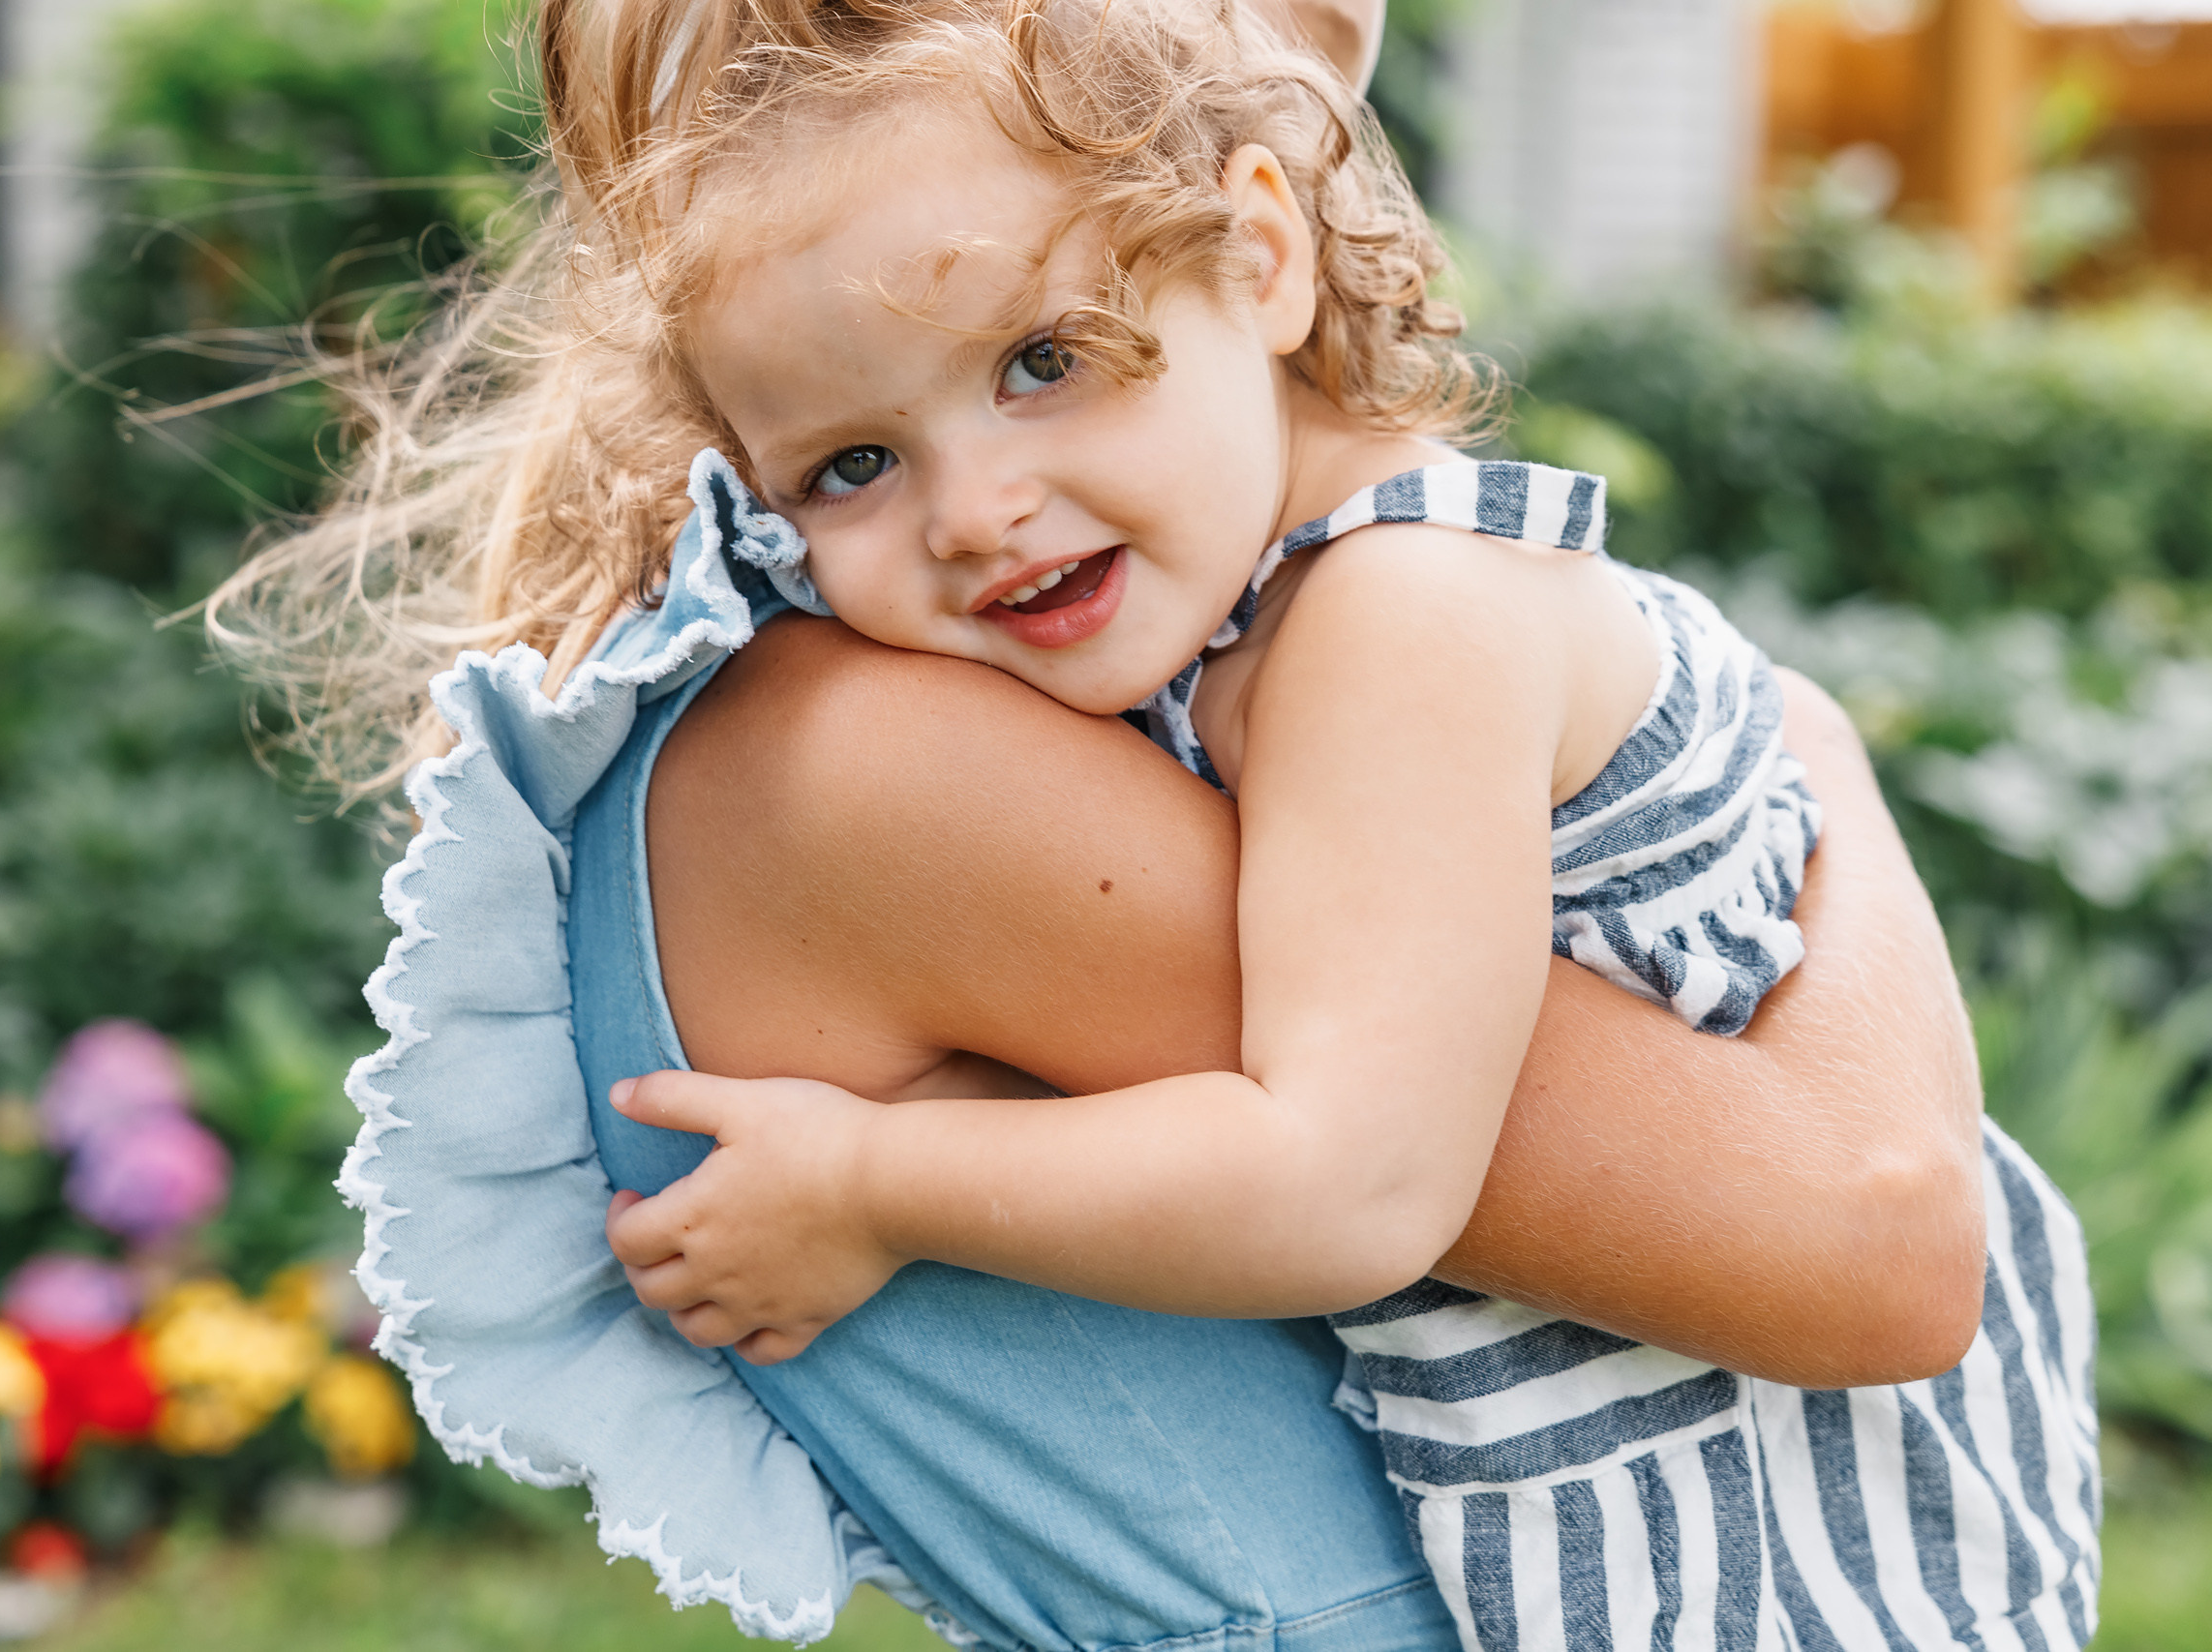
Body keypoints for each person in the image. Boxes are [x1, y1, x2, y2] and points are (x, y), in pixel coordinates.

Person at [201, 1, 2095, 1648]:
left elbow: (1351, 1180)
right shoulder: (1243, 587)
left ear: (1261, 256)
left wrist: (882, 1181)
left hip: (1787, 1569)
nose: (973, 510)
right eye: (851, 465)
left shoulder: (1397, 621)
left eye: (1041, 359)